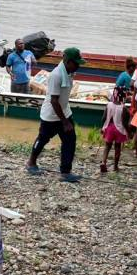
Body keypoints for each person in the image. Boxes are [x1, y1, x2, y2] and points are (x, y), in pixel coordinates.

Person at [26, 47, 84, 183]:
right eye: (76, 63)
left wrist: (66, 118)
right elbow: (54, 100)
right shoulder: (56, 75)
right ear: (68, 61)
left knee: (70, 140)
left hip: (64, 111)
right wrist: (65, 122)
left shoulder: (69, 72)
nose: (78, 66)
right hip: (51, 115)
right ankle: (31, 162)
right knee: (43, 139)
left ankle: (65, 172)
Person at [100, 85, 130, 173]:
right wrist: (128, 132)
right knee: (117, 147)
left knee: (107, 146)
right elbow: (125, 123)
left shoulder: (109, 105)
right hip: (119, 130)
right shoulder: (123, 108)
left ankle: (103, 162)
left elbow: (104, 118)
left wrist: (102, 127)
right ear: (124, 96)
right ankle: (115, 166)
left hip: (109, 128)